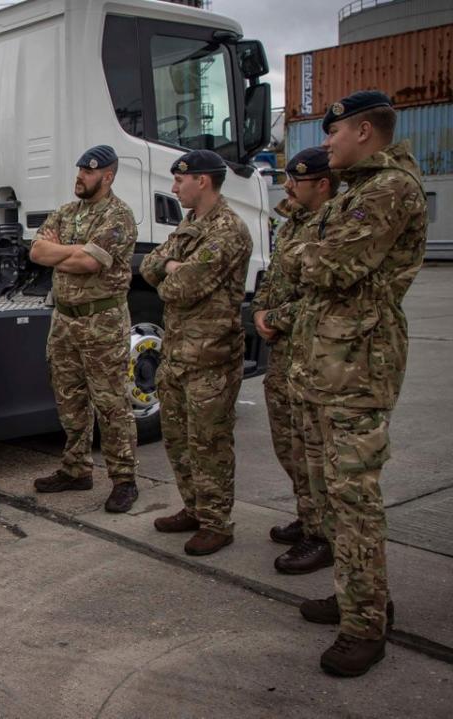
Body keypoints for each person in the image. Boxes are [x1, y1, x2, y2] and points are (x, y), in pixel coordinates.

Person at [291, 91, 427, 677]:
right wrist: (305, 251)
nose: (326, 142)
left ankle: (366, 624)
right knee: (331, 494)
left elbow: (329, 265)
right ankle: (357, 595)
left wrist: (301, 253)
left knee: (354, 499)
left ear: (365, 131)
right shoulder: (359, 191)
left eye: (333, 132)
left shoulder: (390, 190)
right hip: (332, 359)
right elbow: (308, 252)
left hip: (359, 364)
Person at [141, 150, 252, 556]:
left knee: (210, 442)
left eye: (179, 181)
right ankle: (194, 507)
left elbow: (178, 287)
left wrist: (171, 269)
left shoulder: (228, 231)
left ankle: (217, 523)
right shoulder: (190, 225)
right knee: (177, 439)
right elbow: (149, 266)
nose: (173, 188)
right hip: (177, 352)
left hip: (212, 357)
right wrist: (172, 266)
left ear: (202, 181)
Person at [29, 145, 139, 513]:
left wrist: (67, 254)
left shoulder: (119, 216)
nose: (80, 177)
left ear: (107, 177)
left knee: (111, 403)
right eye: (78, 170)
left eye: (88, 172)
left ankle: (124, 479)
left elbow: (89, 263)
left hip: (102, 322)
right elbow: (37, 252)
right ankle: (76, 469)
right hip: (64, 320)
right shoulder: (66, 211)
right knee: (69, 398)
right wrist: (72, 253)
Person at [252, 147, 337, 575]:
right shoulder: (292, 225)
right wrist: (260, 312)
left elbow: (320, 296)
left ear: (322, 184)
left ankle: (322, 535)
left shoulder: (332, 225)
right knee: (288, 444)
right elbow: (273, 279)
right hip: (284, 352)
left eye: (296, 181)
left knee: (313, 450)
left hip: (313, 350)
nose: (287, 186)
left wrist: (276, 318)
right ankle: (308, 515)